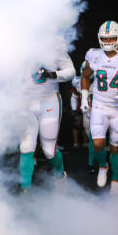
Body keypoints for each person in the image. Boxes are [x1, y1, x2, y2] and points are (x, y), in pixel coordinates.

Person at [81, 21, 118, 194]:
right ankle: (103, 166)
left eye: (112, 38)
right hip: (99, 106)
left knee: (116, 146)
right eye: (104, 38)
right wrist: (85, 98)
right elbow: (85, 77)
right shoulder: (94, 55)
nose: (107, 42)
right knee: (98, 143)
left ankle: (116, 178)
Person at [19, 53, 75, 191]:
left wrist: (52, 75)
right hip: (25, 101)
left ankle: (60, 176)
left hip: (49, 101)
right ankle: (25, 187)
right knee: (26, 146)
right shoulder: (15, 40)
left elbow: (71, 72)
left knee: (49, 150)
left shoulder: (54, 44)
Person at [70, 61, 94, 169]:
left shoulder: (101, 81)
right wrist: (74, 110)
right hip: (87, 111)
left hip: (101, 110)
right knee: (87, 129)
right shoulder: (77, 82)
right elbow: (74, 96)